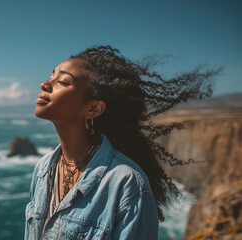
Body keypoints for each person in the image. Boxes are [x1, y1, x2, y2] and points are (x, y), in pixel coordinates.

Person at [24, 45, 221, 239]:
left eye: (64, 82)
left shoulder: (127, 183)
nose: (45, 84)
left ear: (93, 109)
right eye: (51, 76)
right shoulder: (43, 170)